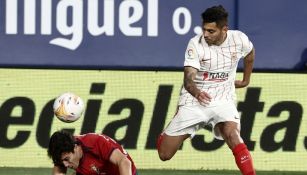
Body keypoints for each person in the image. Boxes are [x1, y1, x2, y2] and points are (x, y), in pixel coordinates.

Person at [156, 5, 256, 175]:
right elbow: (188, 78)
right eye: (204, 30)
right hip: (195, 100)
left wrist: (246, 80)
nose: (206, 35)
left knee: (232, 135)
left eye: (211, 31)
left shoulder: (239, 39)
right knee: (164, 154)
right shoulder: (196, 44)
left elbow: (250, 54)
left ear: (224, 29)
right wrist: (196, 92)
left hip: (224, 98)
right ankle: (178, 129)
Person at [48, 130, 137, 175]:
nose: (65, 165)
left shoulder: (96, 142)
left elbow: (124, 162)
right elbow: (58, 171)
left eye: (67, 159)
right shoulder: (62, 149)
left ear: (75, 147)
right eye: (62, 161)